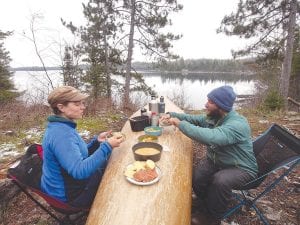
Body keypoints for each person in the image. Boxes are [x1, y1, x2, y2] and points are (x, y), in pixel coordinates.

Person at [161, 85, 258, 225]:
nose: (206, 104)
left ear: (221, 106)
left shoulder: (237, 124)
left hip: (241, 168)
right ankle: (205, 202)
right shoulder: (216, 117)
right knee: (198, 176)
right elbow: (194, 119)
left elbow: (212, 137)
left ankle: (212, 218)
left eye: (210, 102)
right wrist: (173, 115)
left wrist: (180, 124)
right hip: (219, 161)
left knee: (220, 180)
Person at [41, 86, 124, 208]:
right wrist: (106, 146)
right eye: (77, 104)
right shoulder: (61, 135)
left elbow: (77, 155)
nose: (83, 107)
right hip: (69, 197)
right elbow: (79, 171)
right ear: (61, 107)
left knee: (109, 163)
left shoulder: (62, 126)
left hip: (67, 184)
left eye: (82, 103)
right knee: (114, 178)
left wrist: (96, 143)